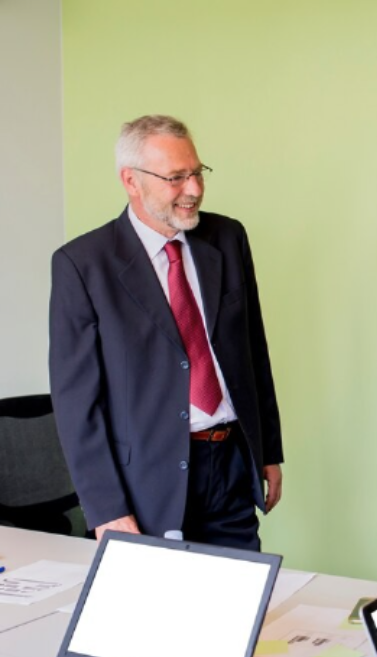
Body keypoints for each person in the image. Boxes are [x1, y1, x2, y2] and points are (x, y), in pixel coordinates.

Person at [49, 114, 283, 551]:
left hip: (229, 461)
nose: (193, 189)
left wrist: (268, 451)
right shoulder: (83, 265)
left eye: (196, 172)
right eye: (176, 178)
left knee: (238, 605)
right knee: (159, 614)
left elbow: (252, 350)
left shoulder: (228, 238)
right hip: (144, 483)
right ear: (131, 181)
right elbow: (76, 402)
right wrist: (105, 506)